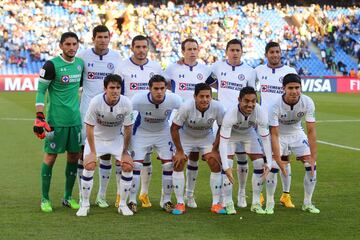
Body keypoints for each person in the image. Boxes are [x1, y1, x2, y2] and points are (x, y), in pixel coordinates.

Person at [33, 32, 84, 213]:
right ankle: (45, 199)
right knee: (50, 157)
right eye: (68, 44)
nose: (71, 47)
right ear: (61, 46)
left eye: (74, 44)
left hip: (75, 122)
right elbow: (41, 91)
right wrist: (40, 116)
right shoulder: (51, 65)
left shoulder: (80, 64)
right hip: (55, 122)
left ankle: (67, 197)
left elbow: (80, 89)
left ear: (78, 45)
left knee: (74, 157)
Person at [114, 35, 164, 208]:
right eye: (138, 47)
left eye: (144, 47)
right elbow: (117, 91)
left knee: (146, 156)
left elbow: (161, 91)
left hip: (150, 119)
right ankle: (120, 194)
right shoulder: (122, 67)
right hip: (128, 118)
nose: (142, 50)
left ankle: (144, 193)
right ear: (132, 48)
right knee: (123, 155)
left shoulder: (155, 66)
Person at [77, 25, 122, 208]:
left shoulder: (116, 58)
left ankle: (101, 195)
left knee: (105, 154)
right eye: (99, 37)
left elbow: (119, 85)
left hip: (109, 113)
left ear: (109, 38)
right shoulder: (83, 56)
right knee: (83, 152)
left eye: (106, 37)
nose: (103, 40)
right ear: (93, 38)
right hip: (86, 110)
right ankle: (82, 194)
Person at [76, 74, 134, 216]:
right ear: (105, 88)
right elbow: (89, 127)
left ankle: (122, 204)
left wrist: (125, 151)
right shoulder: (96, 102)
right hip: (96, 139)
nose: (115, 91)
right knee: (89, 165)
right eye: (112, 87)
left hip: (116, 139)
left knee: (127, 165)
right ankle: (84, 204)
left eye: (118, 88)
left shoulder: (126, 103)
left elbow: (128, 129)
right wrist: (92, 152)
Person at [219, 86, 283, 215]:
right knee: (228, 164)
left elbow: (265, 139)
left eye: (253, 101)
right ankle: (228, 202)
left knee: (260, 163)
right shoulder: (230, 114)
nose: (250, 104)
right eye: (246, 101)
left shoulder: (260, 112)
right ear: (239, 100)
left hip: (249, 134)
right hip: (232, 135)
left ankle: (255, 203)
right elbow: (223, 142)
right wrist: (225, 167)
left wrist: (269, 163)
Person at [165, 38, 213, 209]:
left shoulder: (206, 70)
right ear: (182, 51)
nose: (192, 52)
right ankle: (173, 198)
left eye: (195, 49)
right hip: (179, 119)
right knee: (177, 160)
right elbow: (161, 85)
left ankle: (190, 196)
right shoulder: (172, 68)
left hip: (199, 120)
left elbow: (219, 86)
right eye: (189, 49)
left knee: (194, 158)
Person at [211, 39, 256, 211]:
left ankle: (242, 193)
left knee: (243, 158)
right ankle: (223, 198)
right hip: (223, 120)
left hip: (243, 121)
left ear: (242, 52)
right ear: (226, 51)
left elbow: (251, 95)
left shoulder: (249, 71)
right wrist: (221, 88)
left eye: (238, 50)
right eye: (232, 50)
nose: (235, 53)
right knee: (223, 159)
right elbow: (208, 81)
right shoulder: (218, 67)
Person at [129, 75, 182, 213]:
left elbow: (183, 113)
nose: (159, 92)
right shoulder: (138, 99)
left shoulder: (174, 99)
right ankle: (132, 201)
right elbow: (126, 114)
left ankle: (167, 201)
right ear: (149, 89)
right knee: (136, 165)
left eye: (162, 88)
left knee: (168, 165)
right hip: (142, 132)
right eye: (156, 89)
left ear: (166, 88)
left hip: (163, 132)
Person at [171, 83, 226, 215]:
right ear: (195, 96)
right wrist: (179, 151)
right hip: (186, 137)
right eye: (201, 96)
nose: (205, 99)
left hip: (206, 137)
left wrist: (215, 149)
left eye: (208, 96)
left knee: (215, 162)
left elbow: (222, 127)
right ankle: (180, 203)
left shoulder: (217, 107)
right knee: (178, 162)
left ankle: (215, 204)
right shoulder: (186, 107)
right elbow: (174, 128)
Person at [268, 73, 319, 214]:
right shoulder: (274, 105)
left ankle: (307, 203)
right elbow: (274, 133)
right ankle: (270, 202)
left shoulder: (307, 102)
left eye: (297, 87)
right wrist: (277, 158)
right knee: (273, 167)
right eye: (291, 88)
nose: (295, 91)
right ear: (283, 88)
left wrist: (313, 157)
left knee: (311, 166)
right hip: (280, 135)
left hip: (297, 133)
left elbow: (311, 131)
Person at [255, 41, 297, 209]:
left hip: (283, 124)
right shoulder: (258, 71)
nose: (275, 54)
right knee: (265, 160)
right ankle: (261, 195)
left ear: (281, 54)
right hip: (264, 123)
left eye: (277, 52)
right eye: (271, 52)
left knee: (285, 160)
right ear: (266, 54)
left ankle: (285, 195)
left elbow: (295, 95)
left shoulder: (290, 71)